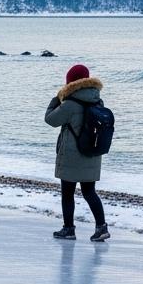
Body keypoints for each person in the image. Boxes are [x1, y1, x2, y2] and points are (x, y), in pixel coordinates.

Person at [46, 63, 109, 241]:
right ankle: (101, 227)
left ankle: (69, 229)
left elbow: (50, 119)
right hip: (92, 153)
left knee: (67, 193)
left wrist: (57, 99)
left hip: (72, 155)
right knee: (90, 192)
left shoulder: (70, 103)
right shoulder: (98, 100)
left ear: (70, 82)